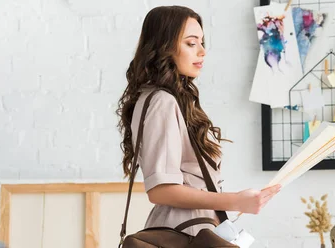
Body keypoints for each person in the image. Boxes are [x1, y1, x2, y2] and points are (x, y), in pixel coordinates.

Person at [116, 6, 281, 236]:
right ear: (164, 47)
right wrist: (234, 201)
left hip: (190, 229)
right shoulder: (163, 101)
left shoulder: (169, 99)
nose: (202, 52)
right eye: (191, 43)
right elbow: (160, 191)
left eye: (202, 43)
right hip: (184, 233)